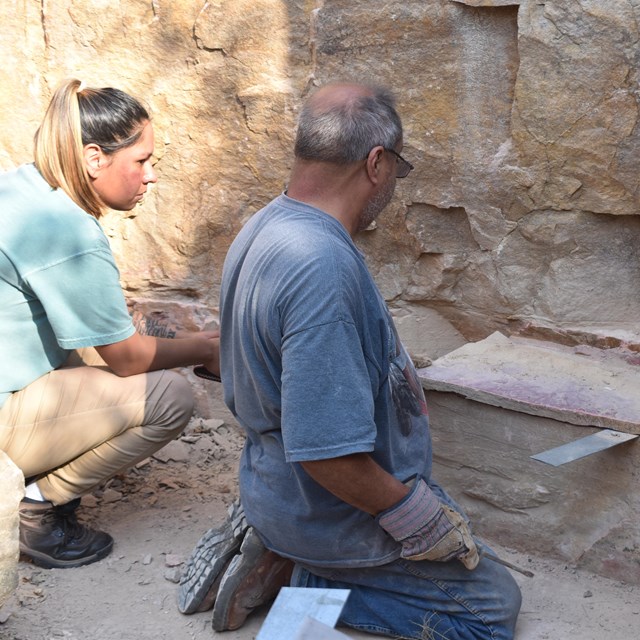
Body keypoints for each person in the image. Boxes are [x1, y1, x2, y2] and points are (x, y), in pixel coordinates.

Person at [179, 82, 521, 639]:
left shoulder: (266, 223)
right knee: (492, 607)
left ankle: (283, 547)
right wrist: (416, 520)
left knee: (459, 542)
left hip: (276, 488)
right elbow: (328, 455)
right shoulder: (320, 266)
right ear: (377, 163)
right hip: (326, 514)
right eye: (396, 171)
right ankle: (305, 579)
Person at [0, 79, 219, 570]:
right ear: (94, 157)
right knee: (169, 397)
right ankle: (34, 509)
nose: (151, 176)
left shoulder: (21, 187)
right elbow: (126, 358)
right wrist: (207, 349)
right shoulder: (67, 231)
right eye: (141, 161)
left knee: (94, 349)